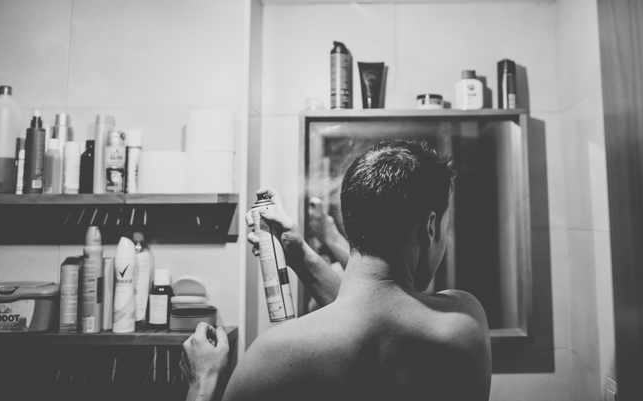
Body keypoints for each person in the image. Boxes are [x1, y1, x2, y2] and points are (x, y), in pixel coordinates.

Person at [181, 140, 492, 401]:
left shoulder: (274, 355)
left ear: (350, 219)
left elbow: (360, 311)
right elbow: (374, 311)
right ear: (430, 226)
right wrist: (300, 254)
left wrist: (203, 382)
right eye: (446, 228)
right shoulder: (465, 323)